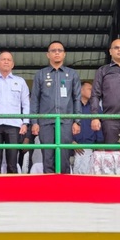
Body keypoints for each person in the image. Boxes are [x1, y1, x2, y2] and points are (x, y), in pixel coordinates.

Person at [30, 41, 82, 174]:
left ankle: (64, 190)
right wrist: (34, 122)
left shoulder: (72, 74)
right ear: (48, 55)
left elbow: (77, 98)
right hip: (45, 122)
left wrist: (77, 121)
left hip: (65, 121)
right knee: (47, 157)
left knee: (64, 156)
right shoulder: (40, 74)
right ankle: (49, 190)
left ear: (64, 54)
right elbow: (35, 99)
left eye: (60, 50)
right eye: (53, 50)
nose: (57, 52)